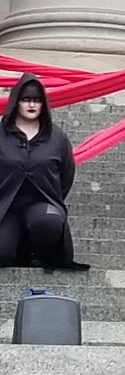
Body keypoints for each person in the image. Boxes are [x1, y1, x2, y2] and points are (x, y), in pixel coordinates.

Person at [0, 74, 86, 270]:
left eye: (37, 100)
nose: (32, 105)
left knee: (49, 220)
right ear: (16, 102)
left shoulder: (57, 138)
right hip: (4, 207)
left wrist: (51, 200)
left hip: (41, 204)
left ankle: (38, 254)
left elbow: (66, 175)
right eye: (26, 99)